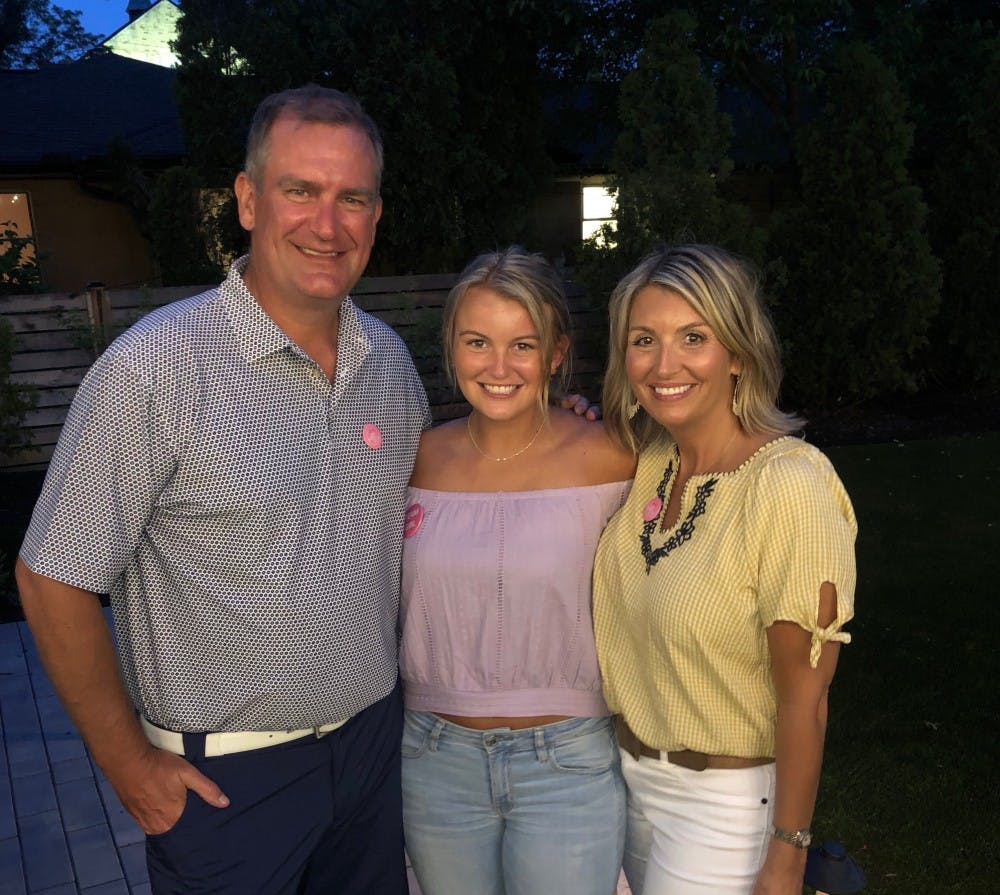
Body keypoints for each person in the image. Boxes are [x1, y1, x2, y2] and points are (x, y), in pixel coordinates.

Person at [15, 85, 429, 894]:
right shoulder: (152, 372)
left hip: (374, 755)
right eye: (299, 190)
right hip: (229, 789)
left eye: (352, 198)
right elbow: (51, 577)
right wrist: (128, 763)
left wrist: (562, 428)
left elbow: (432, 502)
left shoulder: (389, 365)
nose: (327, 223)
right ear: (247, 199)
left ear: (377, 216)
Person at [593, 244, 857, 895]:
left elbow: (807, 697)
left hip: (724, 808)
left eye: (694, 338)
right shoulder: (652, 460)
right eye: (643, 339)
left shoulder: (789, 483)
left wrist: (786, 859)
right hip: (624, 785)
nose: (664, 364)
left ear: (737, 352)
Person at [398, 246, 636, 894]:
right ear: (451, 345)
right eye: (478, 341)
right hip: (432, 759)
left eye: (521, 345)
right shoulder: (414, 461)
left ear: (556, 353)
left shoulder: (612, 456)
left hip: (567, 760)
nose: (498, 367)